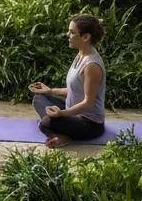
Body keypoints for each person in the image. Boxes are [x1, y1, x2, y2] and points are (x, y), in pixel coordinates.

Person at [28, 13, 107, 147]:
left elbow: (88, 103)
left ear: (86, 37)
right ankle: (63, 129)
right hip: (72, 111)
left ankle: (61, 136)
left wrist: (61, 113)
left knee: (45, 124)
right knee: (39, 99)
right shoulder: (81, 54)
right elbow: (74, 90)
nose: (67, 35)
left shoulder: (92, 66)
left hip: (89, 124)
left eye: (72, 32)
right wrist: (50, 91)